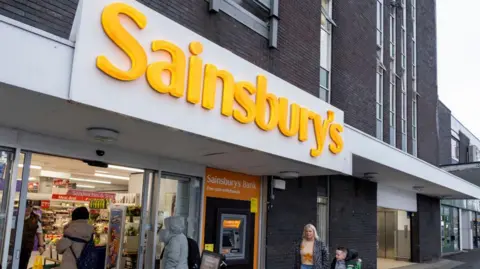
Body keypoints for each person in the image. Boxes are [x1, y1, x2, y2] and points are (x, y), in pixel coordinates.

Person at [19, 201, 45, 269]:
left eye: (30, 206)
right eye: (26, 206)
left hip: (27, 246)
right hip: (14, 245)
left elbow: (39, 233)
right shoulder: (16, 216)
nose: (28, 208)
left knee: (23, 264)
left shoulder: (36, 218)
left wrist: (41, 245)